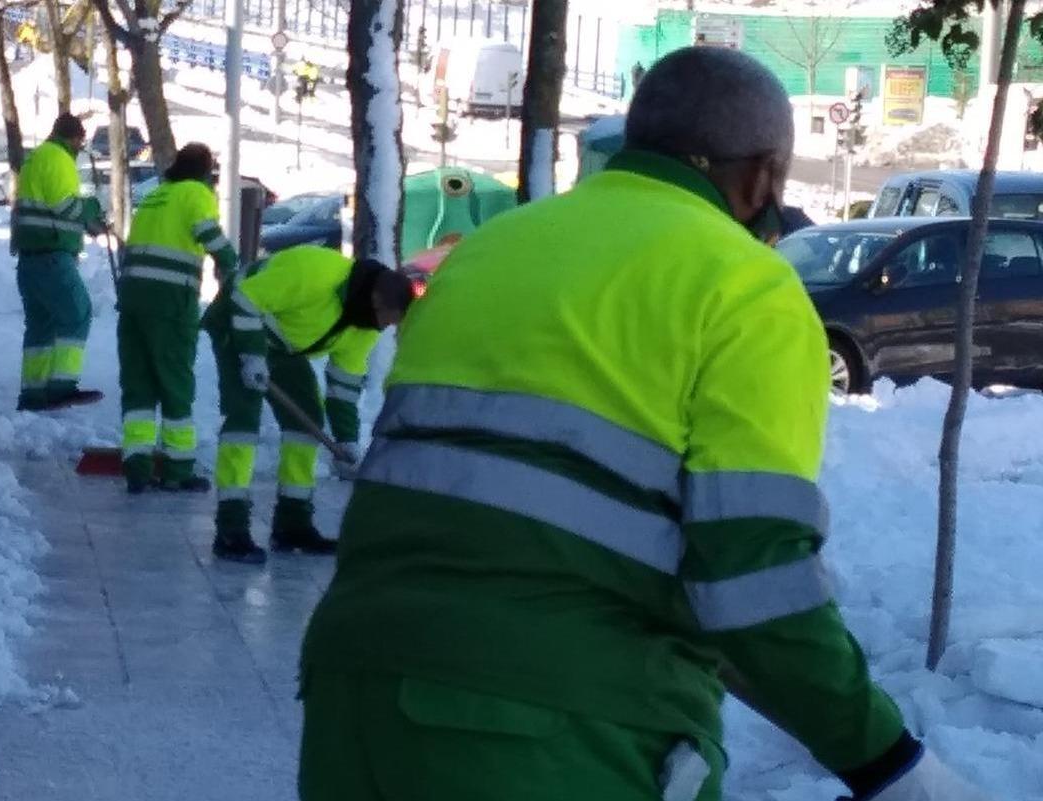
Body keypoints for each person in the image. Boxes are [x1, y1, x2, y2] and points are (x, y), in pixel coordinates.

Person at [297, 47, 992, 801]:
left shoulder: (489, 251)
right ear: (762, 177)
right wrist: (890, 763)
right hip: (555, 732)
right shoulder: (745, 286)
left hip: (352, 700)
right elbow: (753, 576)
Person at [201, 245, 414, 564]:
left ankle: (293, 524)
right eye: (388, 320)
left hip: (284, 345)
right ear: (375, 300)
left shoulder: (365, 326)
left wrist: (347, 442)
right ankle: (231, 529)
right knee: (244, 420)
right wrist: (251, 355)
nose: (387, 328)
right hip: (238, 320)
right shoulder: (314, 273)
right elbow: (245, 298)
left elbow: (343, 387)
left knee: (305, 422)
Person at [117, 143, 239, 494]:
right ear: (204, 171)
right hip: (169, 300)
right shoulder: (195, 194)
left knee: (138, 383)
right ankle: (177, 468)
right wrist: (231, 266)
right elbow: (209, 234)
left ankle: (137, 467)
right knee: (174, 380)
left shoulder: (158, 195)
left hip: (132, 297)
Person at [12, 113, 106, 412]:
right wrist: (92, 208)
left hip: (31, 258)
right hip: (53, 256)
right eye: (81, 141)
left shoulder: (36, 158)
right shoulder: (59, 159)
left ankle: (33, 392)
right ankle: (63, 386)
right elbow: (65, 206)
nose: (81, 148)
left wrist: (84, 224)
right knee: (78, 313)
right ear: (75, 138)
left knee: (42, 324)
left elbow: (48, 208)